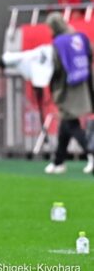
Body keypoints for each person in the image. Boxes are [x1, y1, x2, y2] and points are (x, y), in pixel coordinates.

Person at [44, 12, 94, 174]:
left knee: (71, 124)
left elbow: (56, 66)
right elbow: (90, 53)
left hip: (66, 87)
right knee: (65, 125)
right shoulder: (79, 37)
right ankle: (59, 161)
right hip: (83, 83)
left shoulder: (59, 43)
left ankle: (91, 151)